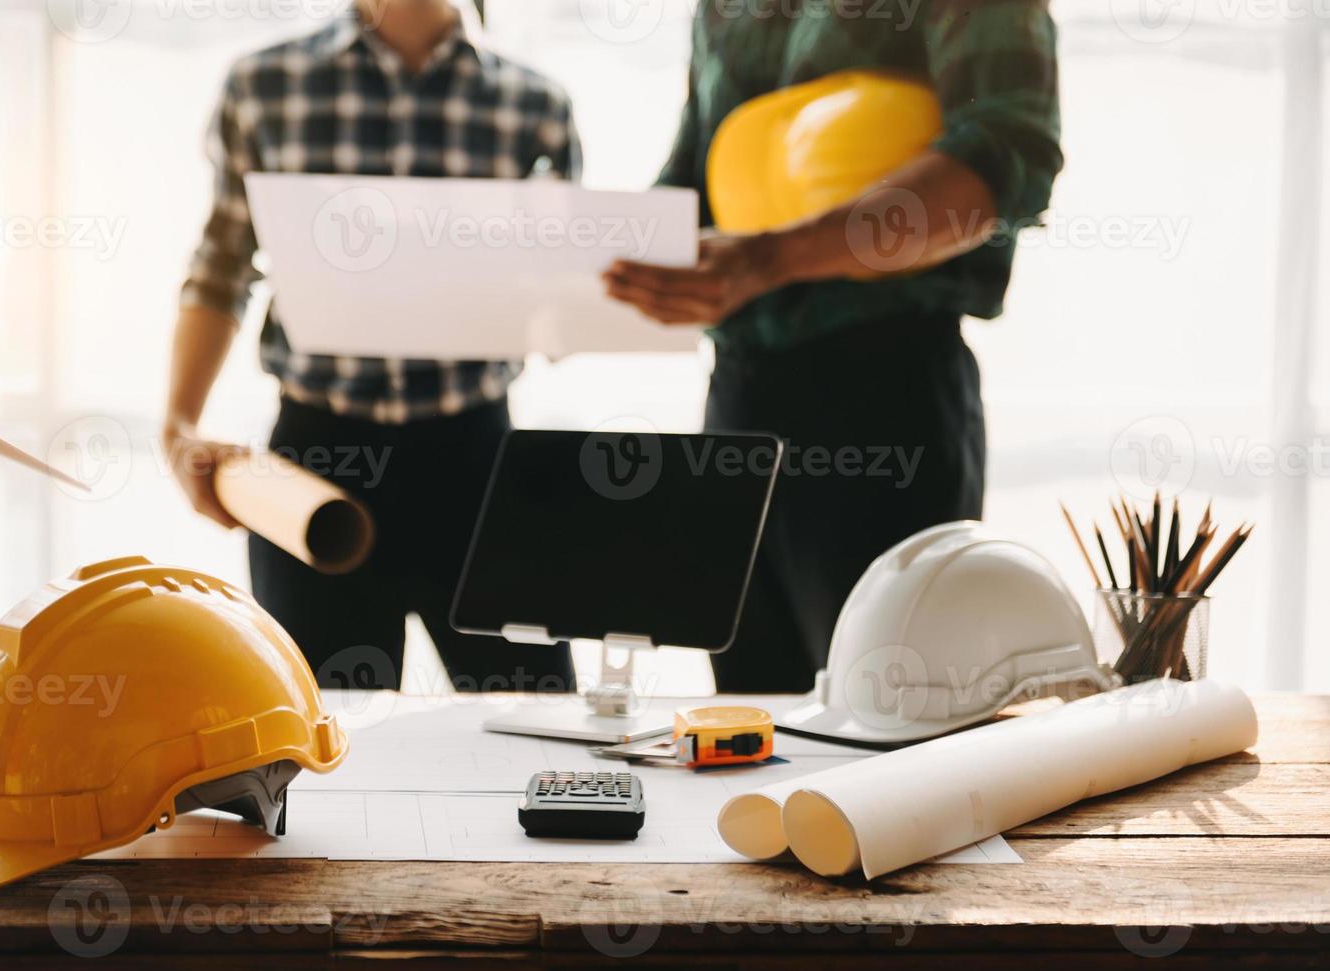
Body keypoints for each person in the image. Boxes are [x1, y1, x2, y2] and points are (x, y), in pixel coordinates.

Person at [604, 1, 1063, 692]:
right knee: (747, 721)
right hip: (736, 399)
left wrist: (767, 259)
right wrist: (567, 267)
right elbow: (692, 179)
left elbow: (1002, 159)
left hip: (887, 396)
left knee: (891, 712)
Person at [165, 0, 579, 692]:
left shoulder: (533, 103)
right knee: (315, 742)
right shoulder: (265, 84)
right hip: (316, 463)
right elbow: (220, 266)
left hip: (478, 461)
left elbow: (559, 291)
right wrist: (178, 426)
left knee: (535, 726)